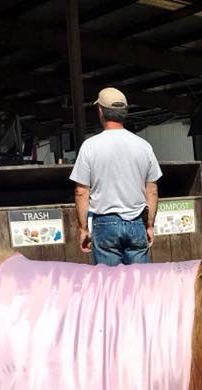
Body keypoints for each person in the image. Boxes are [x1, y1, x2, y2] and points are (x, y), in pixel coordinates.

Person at [70, 87, 162, 265]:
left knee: (110, 287)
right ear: (124, 113)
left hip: (104, 225)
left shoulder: (90, 147)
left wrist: (83, 229)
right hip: (137, 223)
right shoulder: (144, 146)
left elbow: (81, 192)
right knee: (139, 283)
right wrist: (149, 226)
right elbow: (152, 190)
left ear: (100, 111)